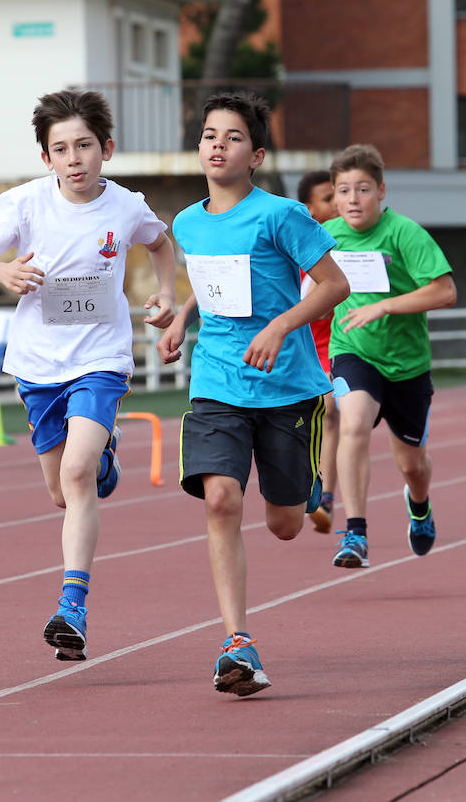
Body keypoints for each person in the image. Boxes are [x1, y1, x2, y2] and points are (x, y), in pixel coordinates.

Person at [0, 89, 176, 661]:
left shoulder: (126, 207)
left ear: (106, 149)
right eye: (62, 148)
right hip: (38, 365)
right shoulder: (26, 204)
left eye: (85, 145)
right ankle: (105, 457)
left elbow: (162, 244)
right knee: (62, 491)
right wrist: (3, 272)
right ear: (46, 158)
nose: (75, 157)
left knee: (78, 474)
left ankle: (72, 605)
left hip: (100, 359)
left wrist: (166, 297)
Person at [157, 91, 349, 696]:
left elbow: (334, 284)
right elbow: (209, 282)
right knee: (220, 500)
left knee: (287, 524)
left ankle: (309, 491)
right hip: (217, 379)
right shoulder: (187, 222)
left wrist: (280, 324)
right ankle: (237, 642)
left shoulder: (282, 216)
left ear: (257, 153)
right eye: (209, 135)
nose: (217, 144)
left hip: (287, 387)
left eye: (232, 136)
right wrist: (181, 316)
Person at [326, 143, 456, 569]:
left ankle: (419, 505)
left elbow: (444, 291)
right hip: (353, 351)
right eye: (343, 190)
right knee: (354, 423)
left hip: (406, 364)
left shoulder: (405, 233)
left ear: (381, 191)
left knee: (412, 466)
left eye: (362, 189)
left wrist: (384, 304)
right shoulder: (326, 235)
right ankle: (356, 534)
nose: (352, 199)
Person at [297, 170, 339, 533]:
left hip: (333, 348)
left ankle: (325, 493)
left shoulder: (352, 249)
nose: (339, 204)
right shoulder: (294, 249)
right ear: (309, 209)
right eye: (329, 199)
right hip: (295, 346)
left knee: (331, 409)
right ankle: (308, 482)